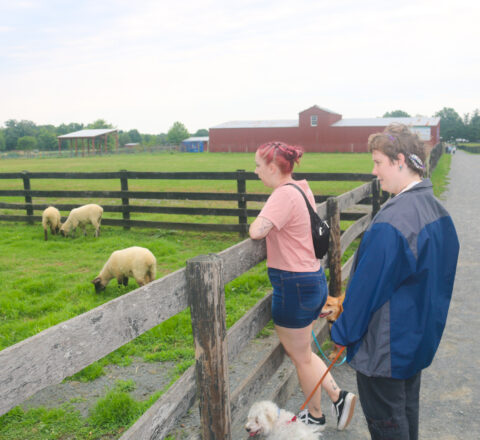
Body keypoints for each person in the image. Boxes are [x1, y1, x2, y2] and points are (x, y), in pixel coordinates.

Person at [331, 124, 460, 440]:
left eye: (378, 162)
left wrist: (342, 332)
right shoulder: (436, 210)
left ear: (400, 160)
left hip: (386, 349)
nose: (374, 171)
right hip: (415, 339)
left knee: (388, 424)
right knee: (405, 414)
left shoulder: (393, 221)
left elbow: (366, 292)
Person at [249, 141, 356, 431]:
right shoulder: (300, 188)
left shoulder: (282, 194)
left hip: (293, 284)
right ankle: (326, 406)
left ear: (273, 167)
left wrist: (262, 218)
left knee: (301, 357)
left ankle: (331, 403)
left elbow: (256, 231)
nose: (256, 171)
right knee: (304, 353)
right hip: (311, 279)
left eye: (259, 166)